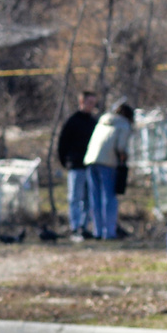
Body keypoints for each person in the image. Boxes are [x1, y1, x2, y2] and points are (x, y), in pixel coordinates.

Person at [83, 99, 135, 239]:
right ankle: (109, 232)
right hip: (107, 162)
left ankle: (97, 231)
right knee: (109, 197)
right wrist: (124, 159)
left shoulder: (103, 120)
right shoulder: (123, 124)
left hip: (91, 160)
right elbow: (120, 148)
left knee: (95, 197)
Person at [55, 89, 101, 238]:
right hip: (75, 165)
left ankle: (84, 226)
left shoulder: (94, 122)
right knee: (75, 197)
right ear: (82, 102)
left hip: (90, 166)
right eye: (89, 102)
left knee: (88, 199)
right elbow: (62, 143)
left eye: (94, 103)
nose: (92, 105)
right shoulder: (72, 121)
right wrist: (65, 161)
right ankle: (74, 227)